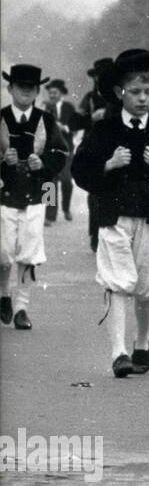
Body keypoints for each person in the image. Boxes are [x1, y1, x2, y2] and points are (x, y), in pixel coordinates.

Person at [70, 50, 149, 374]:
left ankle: (142, 342)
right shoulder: (104, 131)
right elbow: (80, 170)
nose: (143, 98)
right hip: (113, 215)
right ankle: (119, 352)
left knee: (146, 287)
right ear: (120, 92)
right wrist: (107, 165)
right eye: (135, 92)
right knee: (118, 281)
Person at [1, 64, 70, 330]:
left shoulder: (47, 120)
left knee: (28, 252)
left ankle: (22, 307)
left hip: (36, 194)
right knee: (4, 251)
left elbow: (60, 153)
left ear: (37, 90)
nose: (26, 93)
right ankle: (4, 295)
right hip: (4, 194)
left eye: (31, 88)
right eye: (21, 87)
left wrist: (43, 164)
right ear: (10, 89)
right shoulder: (1, 117)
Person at [79, 58, 115, 253]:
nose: (100, 80)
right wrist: (90, 118)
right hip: (94, 144)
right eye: (98, 76)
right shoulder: (90, 97)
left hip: (115, 144)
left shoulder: (121, 93)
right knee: (94, 192)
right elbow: (75, 120)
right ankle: (95, 233)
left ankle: (110, 232)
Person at [42, 79, 77, 223]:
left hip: (66, 148)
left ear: (61, 93)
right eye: (50, 93)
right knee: (50, 182)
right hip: (49, 149)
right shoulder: (45, 107)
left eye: (55, 92)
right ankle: (49, 215)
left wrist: (64, 127)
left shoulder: (69, 107)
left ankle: (66, 208)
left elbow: (75, 126)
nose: (52, 95)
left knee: (67, 180)